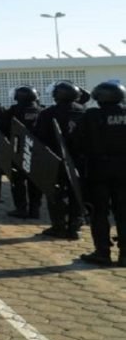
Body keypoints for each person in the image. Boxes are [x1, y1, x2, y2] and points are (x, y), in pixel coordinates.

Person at [75, 81, 126, 267]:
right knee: (124, 212)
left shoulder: (92, 115)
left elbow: (77, 142)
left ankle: (102, 252)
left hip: (99, 172)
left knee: (99, 213)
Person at [34, 81, 86, 240]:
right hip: (79, 160)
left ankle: (59, 227)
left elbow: (39, 138)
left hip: (55, 160)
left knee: (55, 194)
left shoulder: (47, 113)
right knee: (77, 193)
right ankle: (75, 227)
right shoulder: (84, 112)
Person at [0, 86, 44, 219]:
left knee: (18, 182)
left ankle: (21, 208)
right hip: (38, 153)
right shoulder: (42, 110)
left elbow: (1, 128)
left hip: (18, 151)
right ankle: (35, 209)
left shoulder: (14, 111)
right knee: (36, 183)